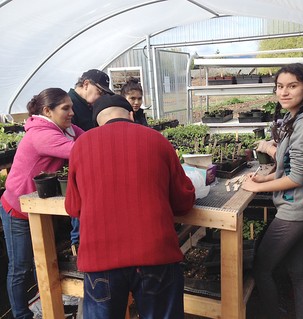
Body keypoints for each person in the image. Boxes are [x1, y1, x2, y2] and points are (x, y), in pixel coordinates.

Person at [64, 94, 195, 319]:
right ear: (132, 115)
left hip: (100, 259)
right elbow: (183, 201)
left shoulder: (81, 145)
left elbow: (73, 207)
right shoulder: (157, 140)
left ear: (97, 121)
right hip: (155, 254)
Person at [242, 63, 303, 319]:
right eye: (280, 86)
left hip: (294, 209)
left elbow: (297, 177)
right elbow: (289, 159)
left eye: (293, 86)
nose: (284, 92)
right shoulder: (299, 116)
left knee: (262, 269)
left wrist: (257, 185)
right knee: (297, 271)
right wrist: (267, 173)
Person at [0, 88, 84, 319]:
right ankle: (21, 315)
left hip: (38, 208)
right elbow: (82, 150)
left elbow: (87, 138)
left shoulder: (63, 129)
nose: (71, 113)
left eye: (71, 107)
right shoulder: (42, 134)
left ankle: (48, 303)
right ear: (48, 110)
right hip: (17, 210)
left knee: (45, 259)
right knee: (20, 268)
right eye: (65, 108)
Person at [68, 69, 114, 251]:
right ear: (85, 84)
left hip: (92, 163)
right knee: (79, 211)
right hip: (78, 165)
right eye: (100, 91)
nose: (100, 96)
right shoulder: (70, 104)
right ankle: (77, 245)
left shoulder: (87, 105)